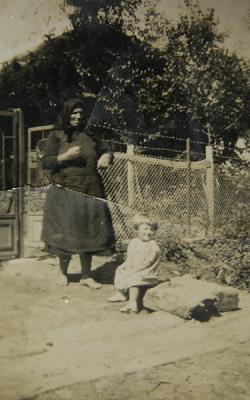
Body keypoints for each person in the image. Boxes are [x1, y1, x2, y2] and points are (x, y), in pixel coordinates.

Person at [41, 97, 115, 288]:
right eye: (74, 113)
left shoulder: (90, 133)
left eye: (81, 114)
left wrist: (106, 156)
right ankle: (62, 272)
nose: (78, 117)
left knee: (88, 230)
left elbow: (106, 149)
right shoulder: (57, 135)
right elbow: (46, 162)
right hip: (65, 190)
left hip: (90, 188)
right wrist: (63, 157)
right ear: (67, 114)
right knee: (66, 232)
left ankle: (86, 275)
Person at [108, 214, 161, 313]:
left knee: (134, 278)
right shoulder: (134, 242)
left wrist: (134, 270)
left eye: (151, 230)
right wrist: (125, 265)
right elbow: (130, 258)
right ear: (137, 229)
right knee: (120, 270)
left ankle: (133, 303)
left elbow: (148, 263)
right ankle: (122, 293)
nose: (148, 232)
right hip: (135, 269)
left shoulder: (153, 246)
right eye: (145, 229)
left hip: (148, 273)